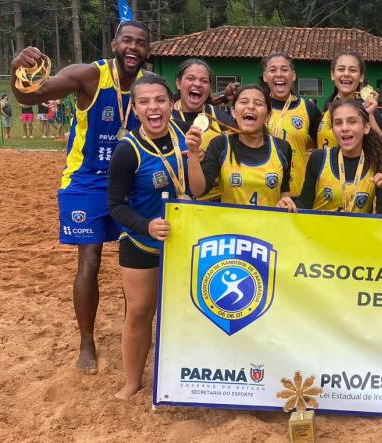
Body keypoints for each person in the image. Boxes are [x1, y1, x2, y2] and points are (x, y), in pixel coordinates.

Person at [10, 20, 151, 373]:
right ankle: (87, 342)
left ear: (149, 51)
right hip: (86, 181)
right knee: (89, 260)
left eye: (142, 43)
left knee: (137, 261)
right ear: (115, 43)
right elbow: (30, 96)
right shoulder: (88, 75)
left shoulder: (149, 86)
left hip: (132, 182)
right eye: (127, 41)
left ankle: (133, 335)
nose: (133, 48)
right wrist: (19, 67)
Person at [107, 75, 190, 400]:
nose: (153, 107)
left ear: (171, 104)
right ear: (135, 108)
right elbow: (115, 206)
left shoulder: (186, 135)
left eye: (160, 100)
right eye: (145, 102)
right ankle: (132, 382)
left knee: (188, 311)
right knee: (140, 310)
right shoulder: (127, 151)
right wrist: (146, 226)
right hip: (143, 242)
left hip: (186, 243)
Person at [186, 85, 293, 208]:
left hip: (269, 225)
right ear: (233, 112)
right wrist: (193, 152)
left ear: (268, 115)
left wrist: (286, 203)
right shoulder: (220, 144)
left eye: (258, 103)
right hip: (230, 226)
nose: (251, 106)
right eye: (243, 102)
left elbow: (284, 193)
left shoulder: (282, 148)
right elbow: (198, 191)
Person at [295, 100, 382, 214]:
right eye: (338, 123)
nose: (344, 128)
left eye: (352, 122)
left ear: (366, 127)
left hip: (358, 231)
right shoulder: (318, 158)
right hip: (319, 231)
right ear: (332, 129)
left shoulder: (378, 161)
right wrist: (288, 204)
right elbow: (304, 204)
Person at [172, 58, 235, 201]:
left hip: (213, 203)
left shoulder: (221, 119)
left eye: (204, 81)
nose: (197, 84)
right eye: (190, 78)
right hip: (173, 201)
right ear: (178, 83)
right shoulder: (163, 118)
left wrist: (209, 158)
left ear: (209, 88)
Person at [261, 52, 322, 197]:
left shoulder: (308, 109)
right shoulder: (257, 106)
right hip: (262, 189)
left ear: (293, 76)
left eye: (284, 69)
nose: (279, 74)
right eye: (272, 70)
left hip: (297, 192)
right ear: (265, 77)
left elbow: (321, 147)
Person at [318, 51, 382, 150]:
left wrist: (370, 116)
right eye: (341, 69)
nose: (346, 74)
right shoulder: (328, 104)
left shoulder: (368, 109)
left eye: (352, 70)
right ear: (332, 74)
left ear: (361, 77)